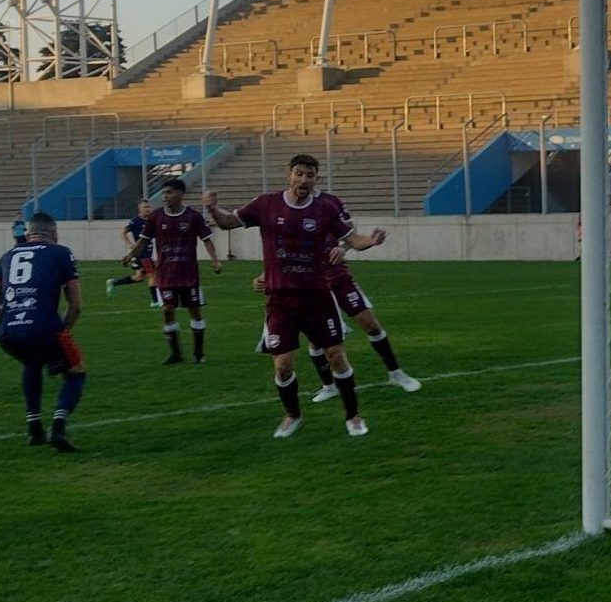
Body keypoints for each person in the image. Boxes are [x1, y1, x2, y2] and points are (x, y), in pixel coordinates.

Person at [205, 154, 387, 439]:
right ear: (289, 174)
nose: (304, 180)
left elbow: (352, 239)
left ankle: (353, 416)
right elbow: (228, 222)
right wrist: (213, 209)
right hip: (280, 300)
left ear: (316, 178)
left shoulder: (325, 208)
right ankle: (293, 416)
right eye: (299, 174)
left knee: (336, 356)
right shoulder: (266, 203)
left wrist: (371, 242)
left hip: (317, 295)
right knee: (283, 365)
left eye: (310, 175)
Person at [0, 212, 88, 452]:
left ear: (29, 233)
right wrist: (63, 334)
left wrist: (13, 318)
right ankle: (58, 428)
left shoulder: (7, 255)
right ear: (54, 234)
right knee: (76, 371)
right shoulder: (61, 252)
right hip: (44, 327)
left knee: (32, 363)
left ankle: (34, 428)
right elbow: (76, 306)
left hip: (7, 332)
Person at [256, 254, 422, 402]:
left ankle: (396, 373)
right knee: (318, 341)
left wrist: (345, 246)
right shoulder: (290, 225)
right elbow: (281, 253)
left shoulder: (331, 218)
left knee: (371, 325)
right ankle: (329, 386)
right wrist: (266, 276)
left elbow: (352, 239)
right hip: (313, 287)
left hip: (339, 280)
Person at [127, 179, 223, 364]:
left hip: (188, 274)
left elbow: (207, 239)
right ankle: (176, 354)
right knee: (167, 310)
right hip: (166, 274)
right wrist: (130, 254)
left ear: (180, 194)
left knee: (194, 311)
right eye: (163, 193)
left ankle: (198, 353)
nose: (164, 197)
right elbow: (144, 240)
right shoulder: (156, 217)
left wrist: (215, 260)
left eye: (169, 193)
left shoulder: (193, 216)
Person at [106, 200, 159, 305]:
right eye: (145, 207)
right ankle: (155, 301)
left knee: (140, 277)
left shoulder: (152, 220)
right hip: (141, 253)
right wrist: (131, 244)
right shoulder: (136, 221)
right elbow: (123, 233)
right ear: (139, 209)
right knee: (153, 276)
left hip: (147, 253)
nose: (148, 209)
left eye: (149, 206)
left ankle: (113, 282)